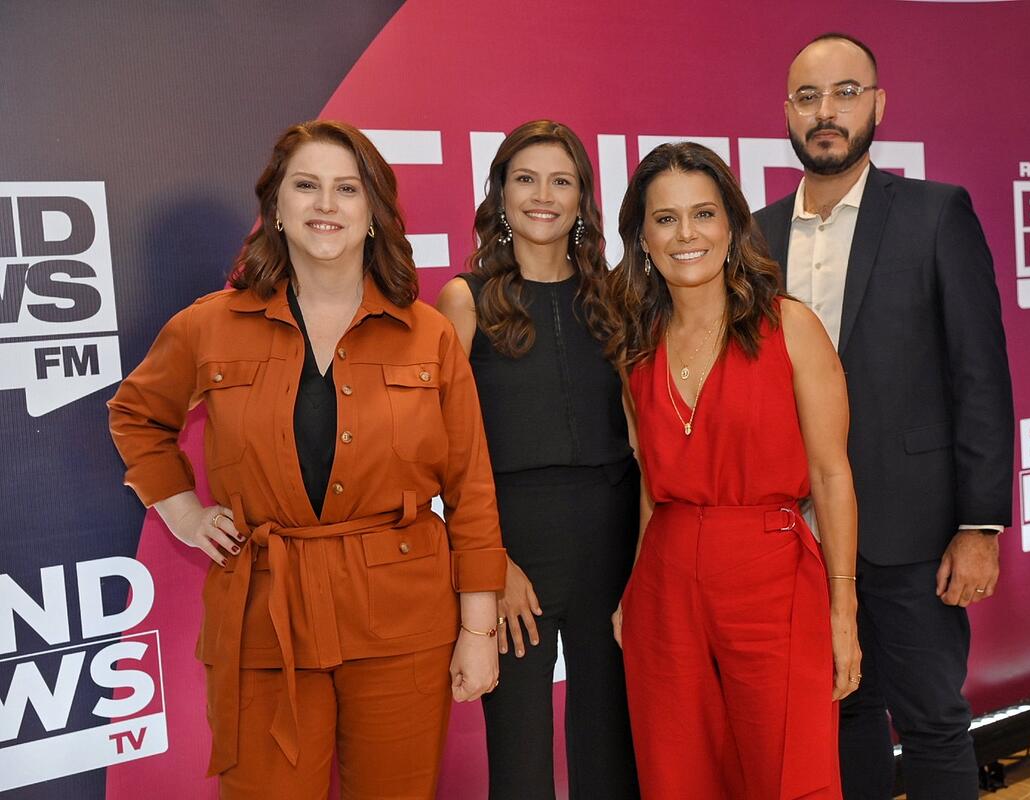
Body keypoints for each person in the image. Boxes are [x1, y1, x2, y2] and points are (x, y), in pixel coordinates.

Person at [108, 120, 506, 800]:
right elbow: (136, 414)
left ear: (374, 212)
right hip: (265, 618)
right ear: (277, 209)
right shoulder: (209, 325)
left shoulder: (429, 337)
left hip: (403, 621)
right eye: (307, 186)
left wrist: (477, 628)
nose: (326, 205)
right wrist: (181, 511)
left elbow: (471, 488)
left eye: (347, 189)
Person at [753, 33, 1015, 800]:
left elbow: (981, 377)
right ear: (788, 114)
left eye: (844, 92)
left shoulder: (936, 215)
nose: (825, 112)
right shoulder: (755, 238)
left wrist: (980, 526)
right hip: (797, 532)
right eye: (808, 97)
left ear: (878, 104)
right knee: (842, 713)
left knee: (932, 722)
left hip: (913, 531)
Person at [607, 141, 861, 800]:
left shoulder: (790, 327)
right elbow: (647, 482)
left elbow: (832, 475)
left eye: (703, 214)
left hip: (772, 575)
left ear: (731, 226)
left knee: (789, 771)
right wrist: (635, 586)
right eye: (664, 219)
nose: (686, 234)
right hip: (664, 588)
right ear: (642, 236)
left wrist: (843, 610)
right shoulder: (635, 349)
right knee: (676, 775)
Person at [437, 120, 640, 800]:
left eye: (562, 180)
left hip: (611, 551)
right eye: (525, 178)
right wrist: (490, 564)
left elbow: (645, 442)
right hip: (510, 552)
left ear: (584, 197)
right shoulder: (464, 301)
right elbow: (440, 453)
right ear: (499, 194)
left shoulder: (617, 300)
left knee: (613, 756)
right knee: (520, 767)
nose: (543, 195)